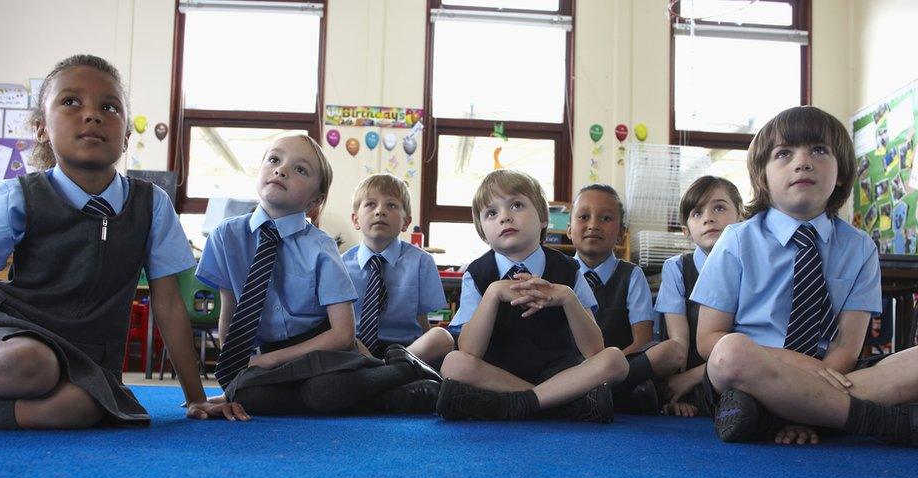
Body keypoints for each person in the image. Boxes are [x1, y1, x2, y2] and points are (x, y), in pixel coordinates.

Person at [0, 54, 246, 429]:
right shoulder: (16, 197)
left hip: (87, 360)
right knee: (28, 363)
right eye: (71, 102)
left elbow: (167, 303)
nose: (92, 114)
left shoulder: (152, 205)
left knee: (82, 408)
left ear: (126, 138)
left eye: (109, 107)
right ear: (41, 129)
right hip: (6, 337)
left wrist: (196, 398)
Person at [693, 105, 918, 445]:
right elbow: (709, 338)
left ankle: (777, 414)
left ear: (841, 172)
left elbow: (846, 344)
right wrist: (797, 365)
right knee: (730, 353)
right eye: (783, 153)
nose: (802, 161)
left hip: (831, 372)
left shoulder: (860, 248)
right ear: (762, 176)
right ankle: (869, 420)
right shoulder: (737, 240)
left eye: (818, 150)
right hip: (752, 369)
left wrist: (817, 377)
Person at [198, 135, 440, 416]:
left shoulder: (321, 246)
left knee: (322, 390)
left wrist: (269, 361)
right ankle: (393, 397)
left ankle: (402, 370)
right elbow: (230, 317)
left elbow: (343, 334)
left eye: (300, 169)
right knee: (246, 395)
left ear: (317, 199)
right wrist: (233, 380)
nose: (281, 170)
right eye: (274, 160)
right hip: (273, 353)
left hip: (325, 350)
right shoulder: (225, 236)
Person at [435, 169, 627, 421]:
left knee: (615, 360)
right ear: (482, 231)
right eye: (491, 213)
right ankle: (556, 403)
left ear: (543, 218)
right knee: (453, 363)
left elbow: (594, 349)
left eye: (516, 205)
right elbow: (469, 350)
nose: (505, 217)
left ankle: (519, 404)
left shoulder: (569, 270)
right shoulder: (478, 273)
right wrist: (492, 294)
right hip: (498, 374)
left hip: (559, 371)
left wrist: (567, 298)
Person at [567, 184, 685, 414]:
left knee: (671, 351)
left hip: (620, 368)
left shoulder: (631, 275)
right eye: (583, 217)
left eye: (606, 218)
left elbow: (642, 341)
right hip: (569, 370)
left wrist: (606, 367)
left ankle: (590, 395)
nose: (593, 225)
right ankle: (602, 395)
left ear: (621, 232)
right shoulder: (558, 273)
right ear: (570, 229)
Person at [341, 174, 454, 366]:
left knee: (442, 336)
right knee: (336, 336)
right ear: (355, 219)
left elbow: (423, 321)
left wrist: (430, 354)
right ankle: (383, 370)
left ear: (406, 222)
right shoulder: (340, 264)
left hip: (407, 349)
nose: (380, 211)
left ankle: (386, 369)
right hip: (356, 345)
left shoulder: (421, 261)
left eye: (391, 205)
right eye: (370, 204)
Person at [653, 176, 743, 417]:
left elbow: (758, 340)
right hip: (690, 378)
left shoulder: (755, 267)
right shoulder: (676, 268)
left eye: (719, 207)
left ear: (741, 218)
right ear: (685, 231)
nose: (708, 218)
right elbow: (678, 345)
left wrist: (694, 377)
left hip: (741, 370)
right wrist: (679, 385)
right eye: (697, 213)